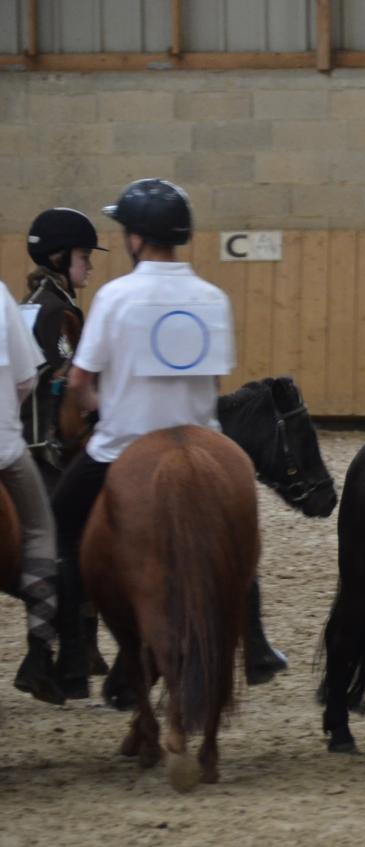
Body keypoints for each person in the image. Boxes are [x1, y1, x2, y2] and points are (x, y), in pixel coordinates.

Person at [51, 178, 234, 698]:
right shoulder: (213, 298)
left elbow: (82, 383)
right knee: (236, 544)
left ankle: (69, 650)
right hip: (203, 448)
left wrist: (99, 409)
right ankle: (257, 641)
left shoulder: (115, 296)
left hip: (122, 450)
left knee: (59, 530)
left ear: (136, 238)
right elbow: (213, 384)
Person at [1, 280, 65, 704]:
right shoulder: (2, 296)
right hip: (3, 451)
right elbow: (26, 379)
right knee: (42, 531)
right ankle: (40, 649)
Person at [21, 208, 105, 489]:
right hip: (46, 450)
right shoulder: (56, 310)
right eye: (84, 257)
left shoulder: (36, 300)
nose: (90, 266)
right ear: (60, 259)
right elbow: (69, 380)